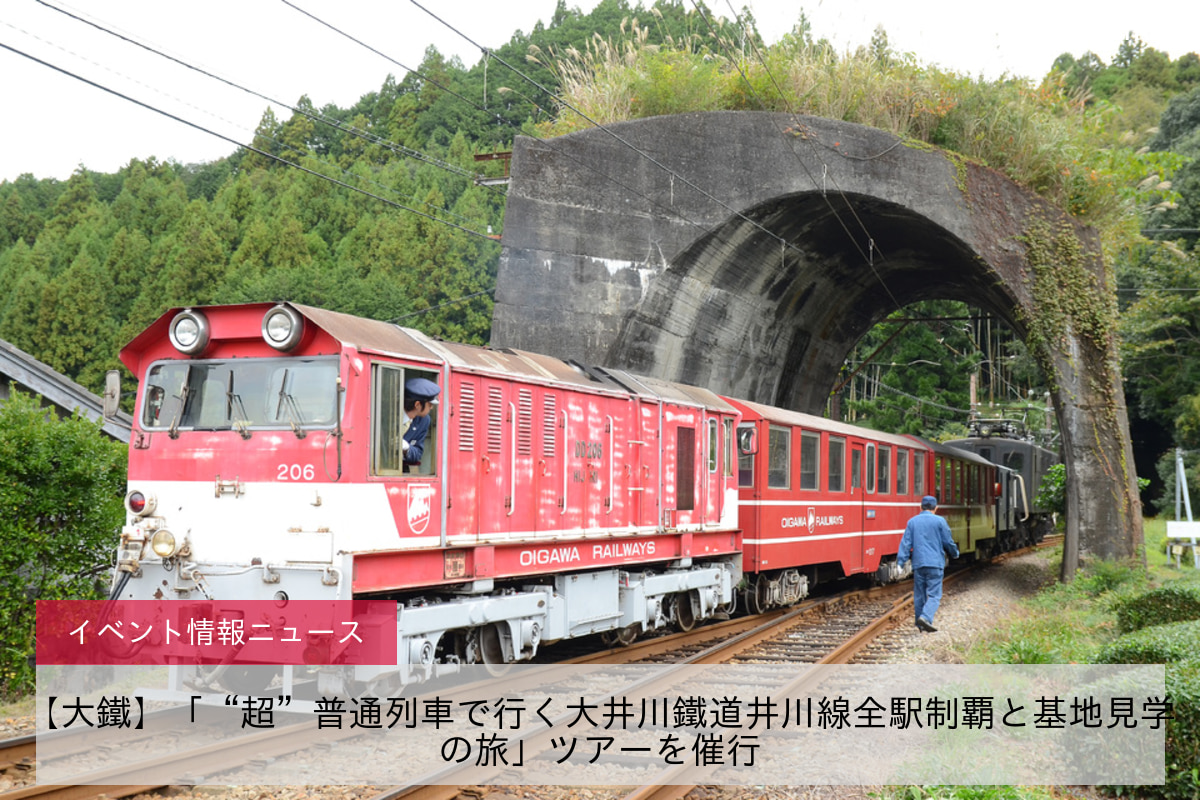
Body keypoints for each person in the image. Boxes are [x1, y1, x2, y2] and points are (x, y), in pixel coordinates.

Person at [896, 495, 959, 632]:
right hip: (935, 564)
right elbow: (948, 541)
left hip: (919, 564)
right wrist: (955, 553)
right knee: (935, 595)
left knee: (919, 595)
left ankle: (920, 624)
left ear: (920, 507)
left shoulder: (912, 522)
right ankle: (925, 617)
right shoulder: (940, 521)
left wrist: (901, 562)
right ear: (936, 508)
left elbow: (906, 544)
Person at [401, 377, 440, 472]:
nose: (431, 408)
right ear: (417, 405)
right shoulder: (390, 413)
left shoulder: (424, 420)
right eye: (429, 404)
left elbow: (417, 454)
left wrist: (406, 448)